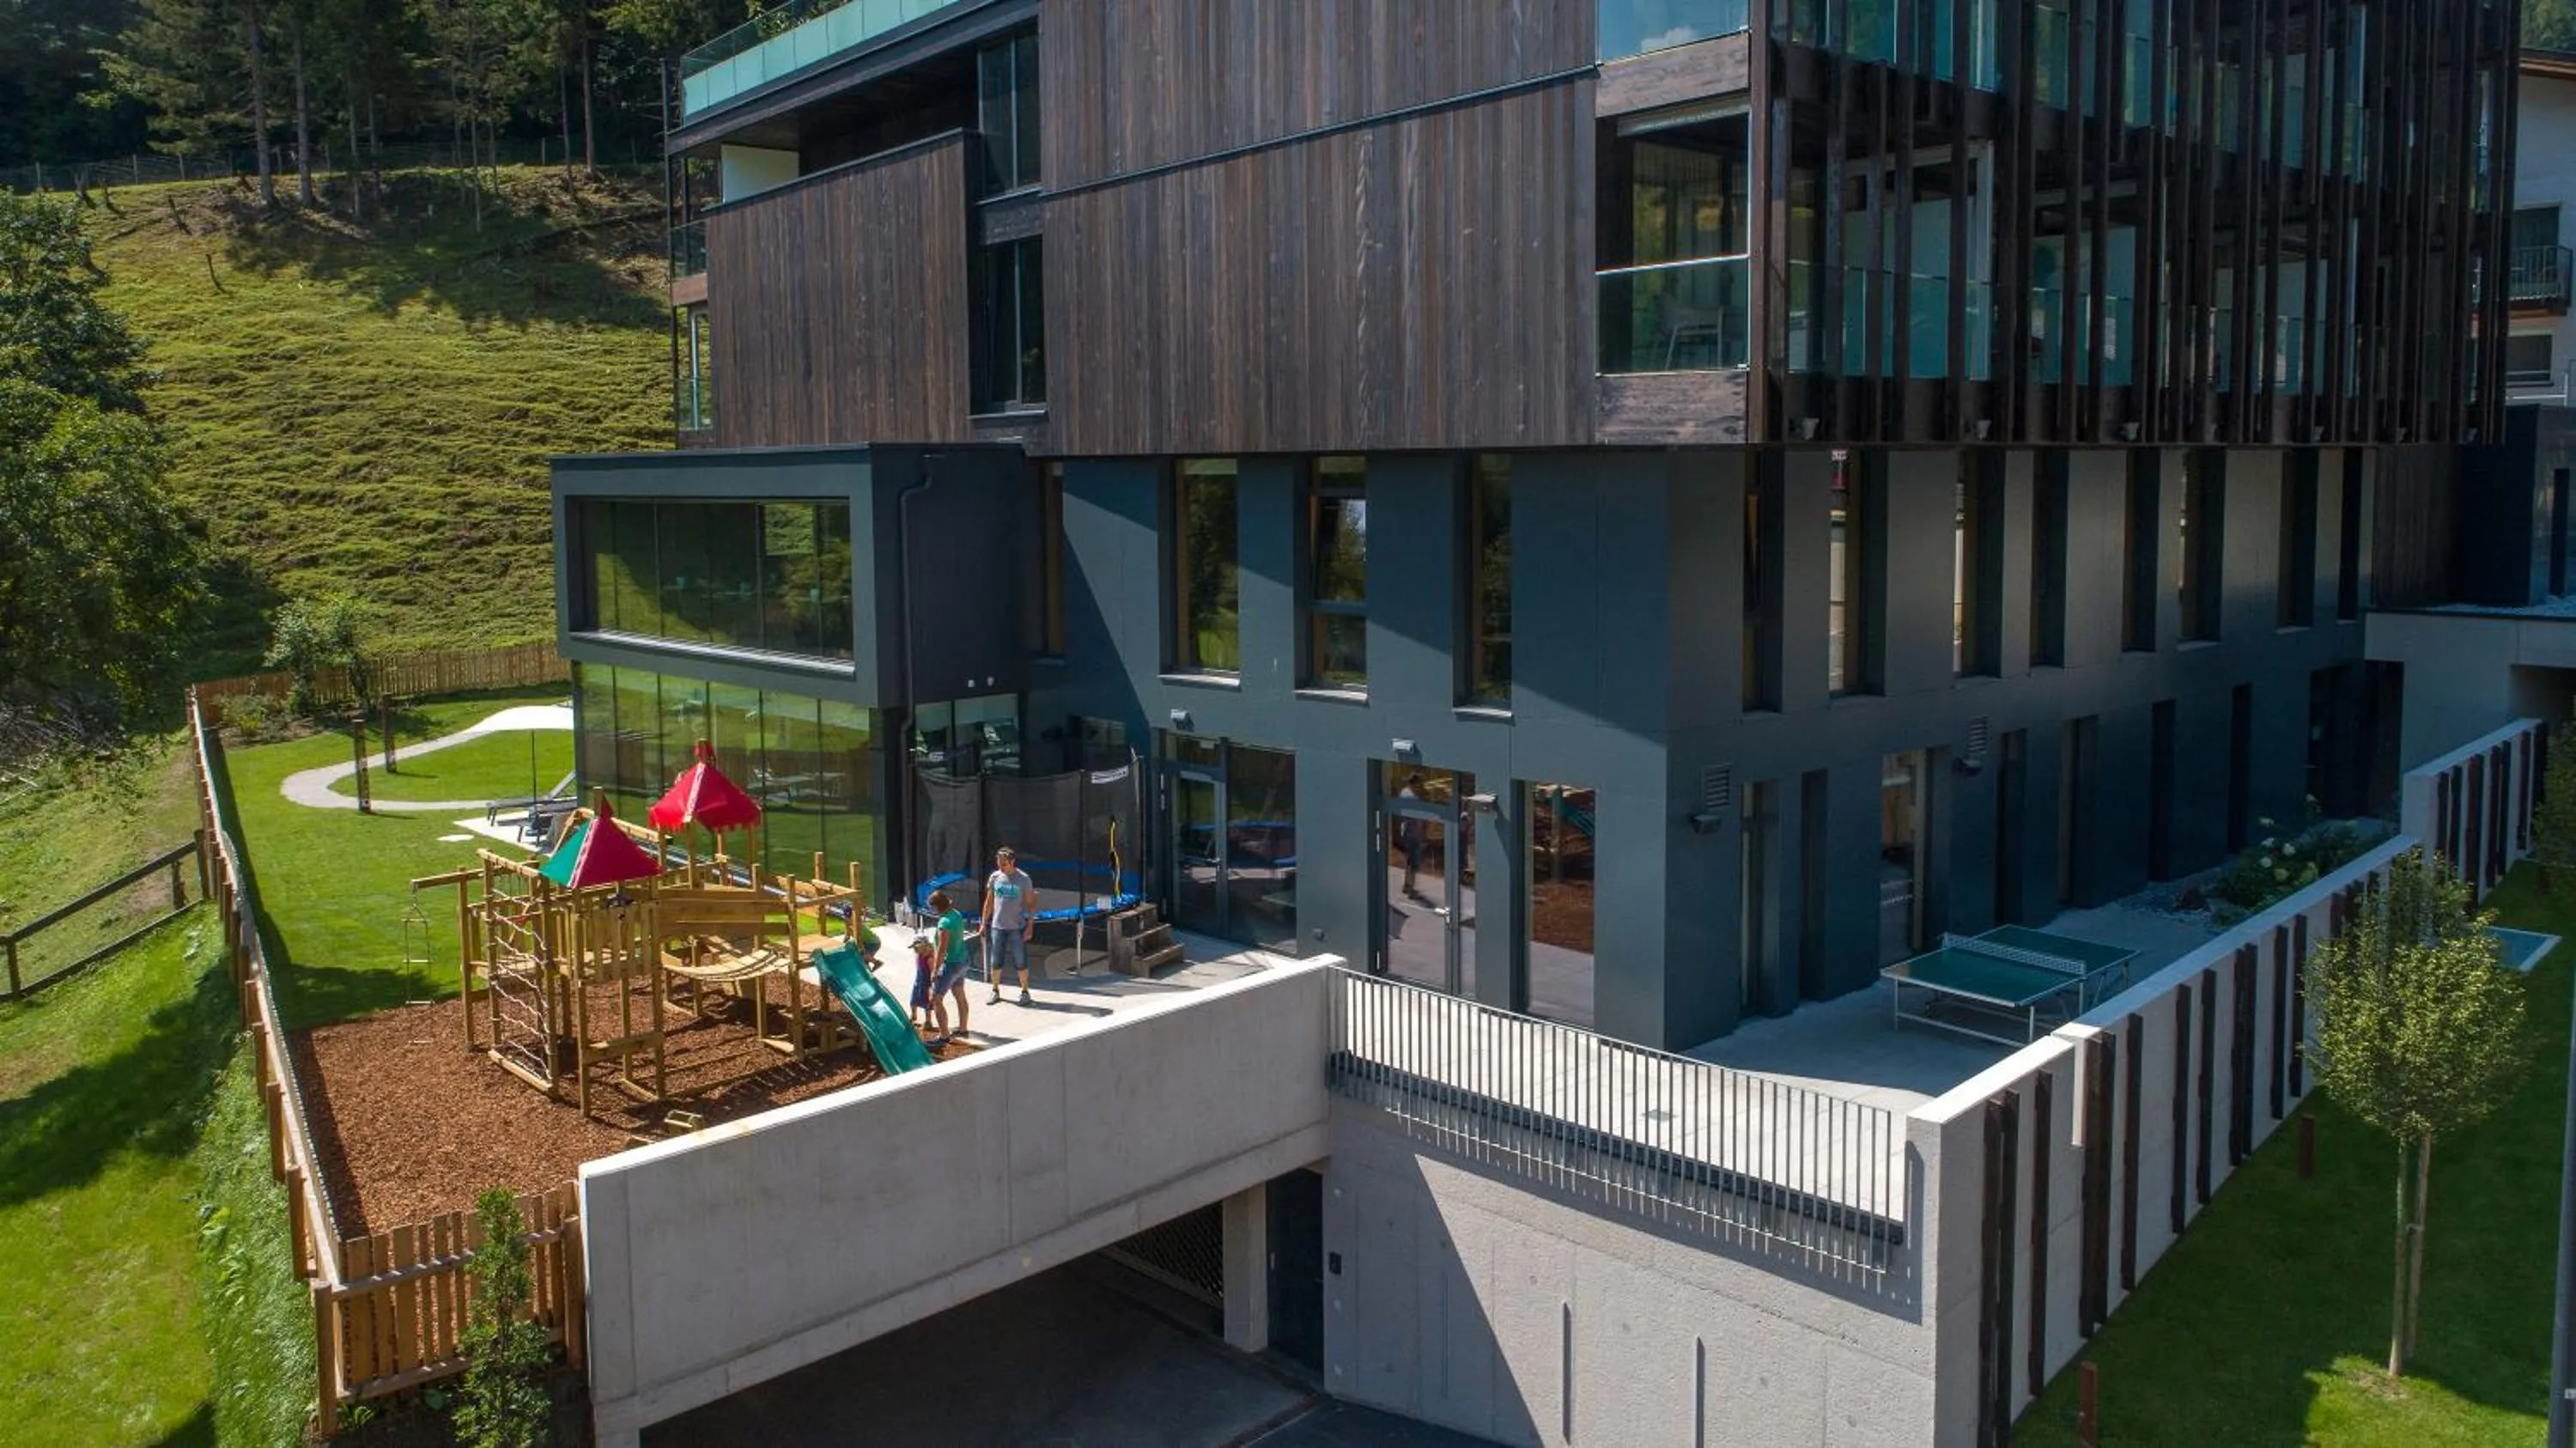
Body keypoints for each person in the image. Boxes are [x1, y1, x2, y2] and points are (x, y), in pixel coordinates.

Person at [982, 845, 1036, 1006]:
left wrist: (1030, 925)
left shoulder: (1024, 879)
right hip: (997, 927)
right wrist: (983, 922)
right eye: (998, 863)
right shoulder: (995, 877)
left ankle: (1025, 991)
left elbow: (1031, 903)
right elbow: (989, 901)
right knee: (996, 961)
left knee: (1021, 961)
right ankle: (995, 990)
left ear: (1012, 862)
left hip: (1016, 928)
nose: (1000, 866)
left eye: (1004, 864)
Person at [927, 891, 974, 1040]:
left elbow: (942, 949)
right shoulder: (956, 914)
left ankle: (944, 1035)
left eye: (932, 907)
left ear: (937, 907)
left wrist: (935, 970)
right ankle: (963, 1028)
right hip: (962, 960)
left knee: (937, 999)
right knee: (960, 994)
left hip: (951, 964)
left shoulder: (944, 923)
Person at [1396, 772, 1427, 898]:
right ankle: (1410, 888)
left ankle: (1406, 885)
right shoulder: (1414, 798)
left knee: (1408, 861)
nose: (1420, 786)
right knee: (1413, 862)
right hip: (1413, 833)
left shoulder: (1403, 792)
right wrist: (1423, 836)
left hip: (1405, 830)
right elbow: (1418, 819)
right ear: (1415, 783)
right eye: (1419, 784)